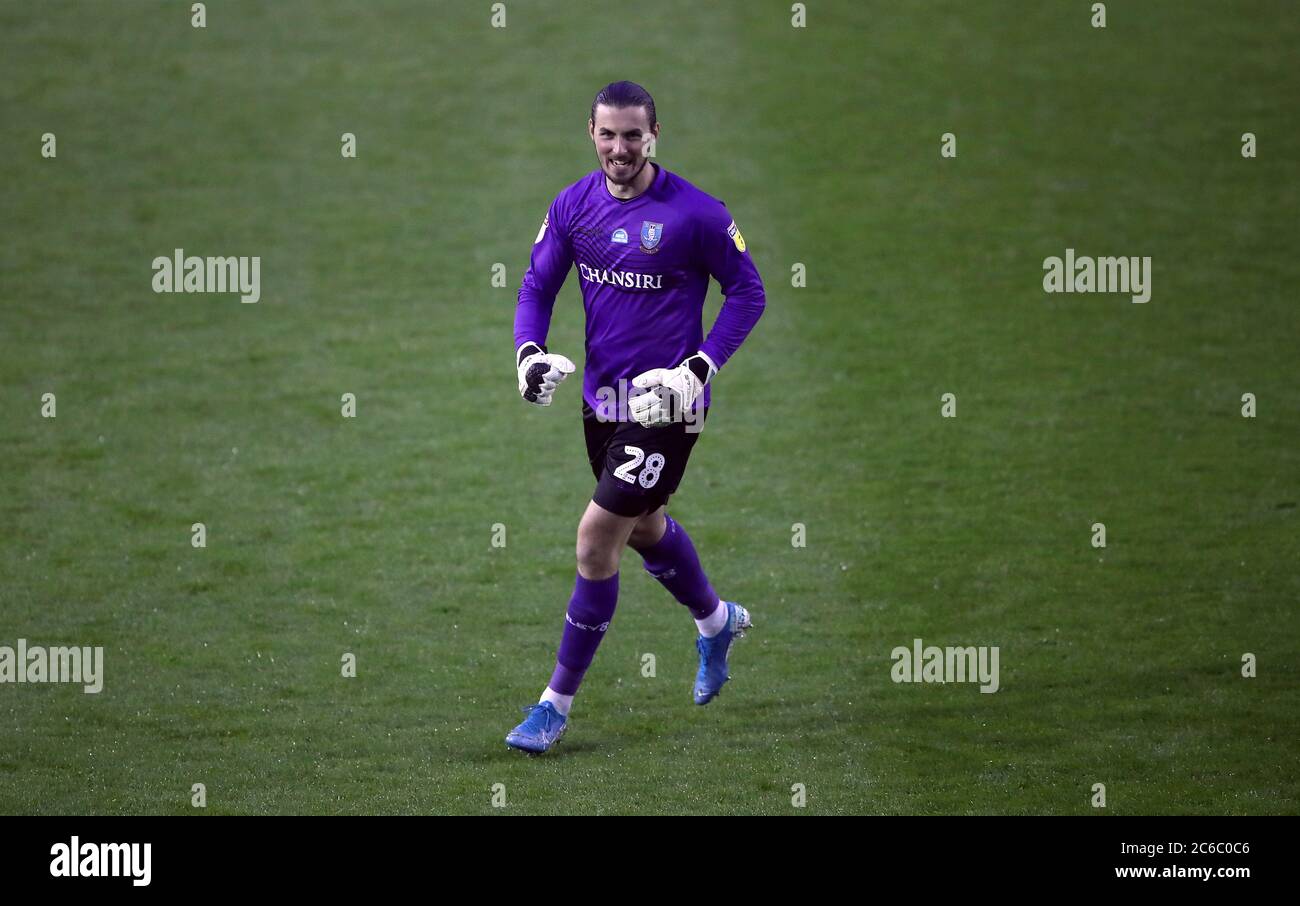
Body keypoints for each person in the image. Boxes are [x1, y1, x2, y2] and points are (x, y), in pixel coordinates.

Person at [507, 80, 766, 753]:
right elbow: (537, 285)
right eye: (608, 134)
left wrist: (698, 370)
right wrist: (528, 353)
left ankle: (553, 706)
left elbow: (748, 292)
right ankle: (716, 622)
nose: (620, 148)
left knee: (597, 541)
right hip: (603, 404)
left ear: (654, 136)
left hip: (669, 407)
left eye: (633, 135)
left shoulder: (697, 215)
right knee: (644, 526)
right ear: (591, 133)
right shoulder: (574, 205)